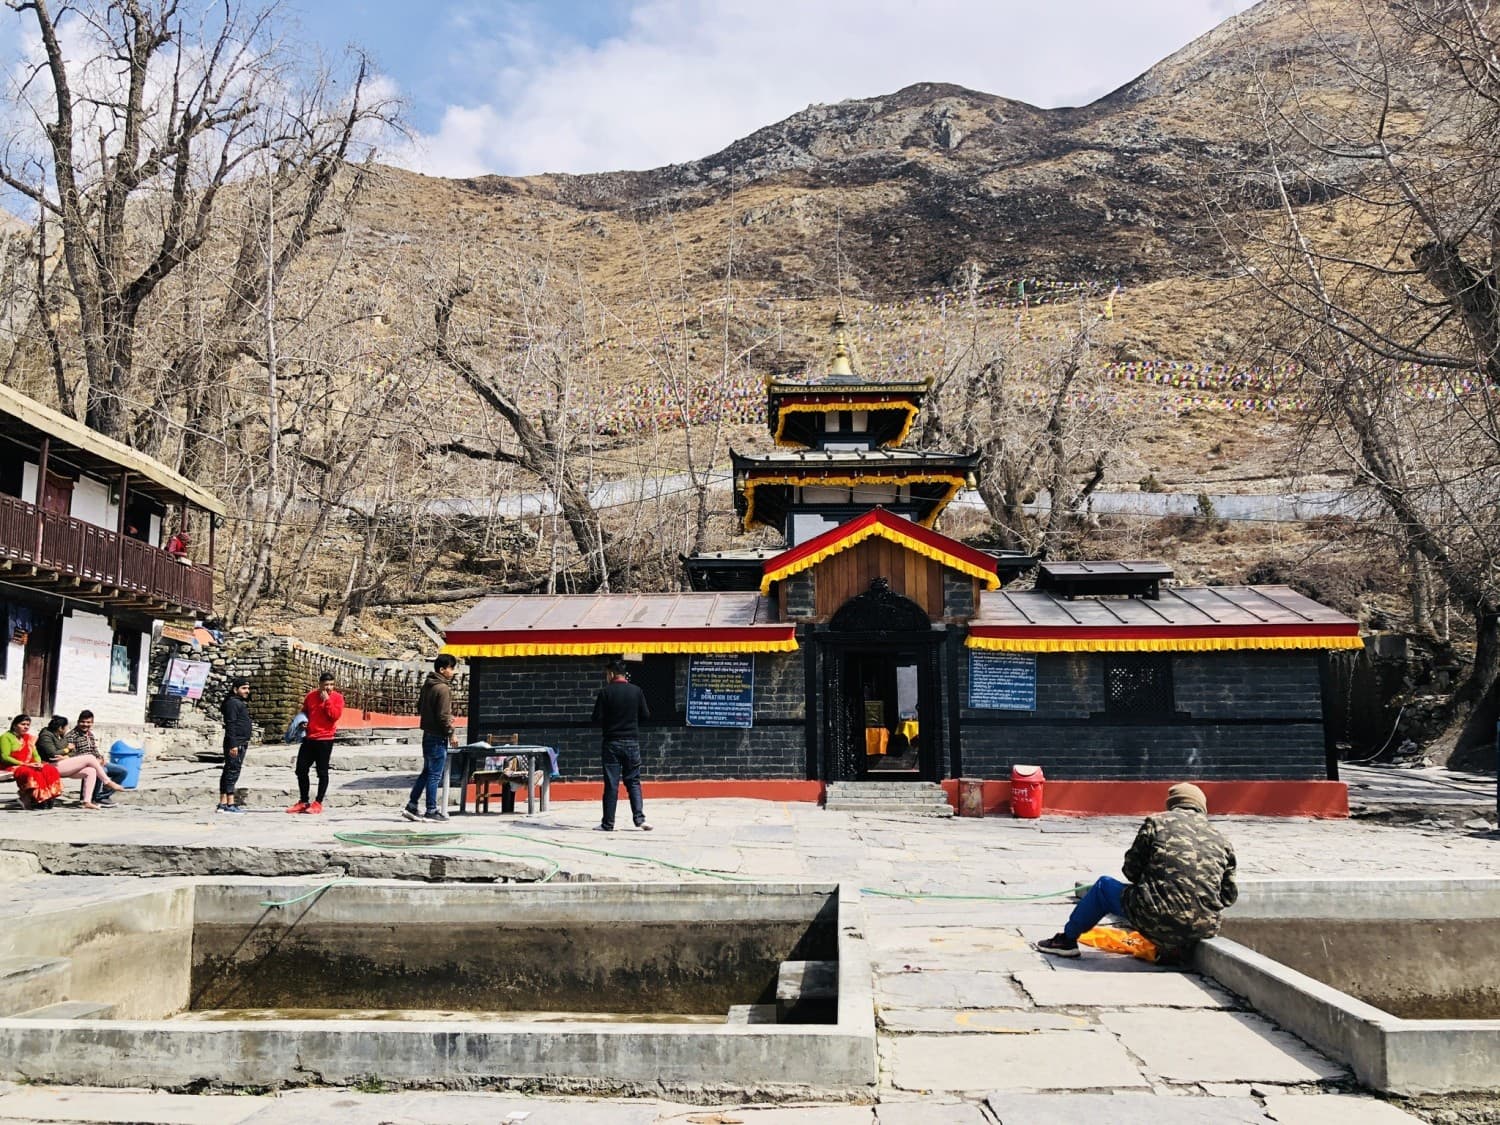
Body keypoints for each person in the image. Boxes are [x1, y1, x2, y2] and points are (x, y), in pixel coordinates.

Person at [1036, 782, 1237, 963]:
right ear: (1202, 807)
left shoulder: (1158, 823)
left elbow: (1130, 871)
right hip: (1204, 928)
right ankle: (1172, 948)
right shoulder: (1222, 839)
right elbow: (1228, 896)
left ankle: (1067, 940)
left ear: (1172, 804)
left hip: (1155, 916)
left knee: (1103, 887)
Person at [591, 658, 651, 832]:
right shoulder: (636, 691)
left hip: (611, 743)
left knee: (611, 784)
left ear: (610, 674)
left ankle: (608, 823)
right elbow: (645, 715)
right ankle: (640, 819)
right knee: (633, 781)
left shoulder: (605, 692)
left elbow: (596, 718)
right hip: (632, 741)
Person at [405, 653, 459, 822]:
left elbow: (420, 706)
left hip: (427, 734)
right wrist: (451, 733)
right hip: (438, 736)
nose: (453, 672)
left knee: (427, 772)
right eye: (451, 668)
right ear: (442, 670)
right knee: (435, 775)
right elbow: (443, 716)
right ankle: (431, 809)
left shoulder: (428, 685)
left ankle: (412, 805)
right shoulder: (442, 688)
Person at [288, 671, 343, 814]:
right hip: (309, 738)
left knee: (322, 772)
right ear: (320, 685)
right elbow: (304, 712)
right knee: (301, 769)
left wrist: (327, 701)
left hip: (325, 739)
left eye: (331, 685)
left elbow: (334, 716)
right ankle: (303, 801)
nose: (329, 688)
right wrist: (303, 723)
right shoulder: (311, 696)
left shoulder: (337, 698)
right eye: (326, 685)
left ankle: (318, 802)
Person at [36, 715, 116, 810]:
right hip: (50, 765)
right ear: (60, 728)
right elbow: (52, 753)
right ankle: (106, 781)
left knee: (90, 771)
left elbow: (73, 751)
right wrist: (66, 750)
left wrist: (67, 756)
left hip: (63, 763)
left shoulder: (61, 736)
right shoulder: (46, 735)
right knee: (90, 758)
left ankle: (87, 801)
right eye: (66, 727)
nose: (67, 729)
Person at [65, 710, 128, 807]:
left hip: (97, 761)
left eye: (88, 722)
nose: (85, 724)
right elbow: (71, 756)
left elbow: (94, 750)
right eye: (83, 722)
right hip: (84, 763)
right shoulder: (72, 736)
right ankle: (95, 798)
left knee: (122, 771)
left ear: (92, 723)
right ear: (78, 722)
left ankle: (103, 796)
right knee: (101, 770)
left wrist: (100, 758)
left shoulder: (90, 734)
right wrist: (93, 762)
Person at [1, 715, 63, 809]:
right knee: (29, 772)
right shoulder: (6, 737)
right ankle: (29, 797)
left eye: (28, 725)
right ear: (14, 725)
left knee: (49, 769)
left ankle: (48, 797)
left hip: (29, 764)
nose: (26, 727)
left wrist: (38, 763)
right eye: (23, 724)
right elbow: (4, 757)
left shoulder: (29, 738)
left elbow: (35, 754)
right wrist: (25, 764)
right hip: (11, 765)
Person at [218, 678, 253, 815]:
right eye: (244, 688)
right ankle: (230, 803)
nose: (247, 691)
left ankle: (223, 803)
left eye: (247, 688)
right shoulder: (233, 703)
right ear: (235, 689)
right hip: (236, 743)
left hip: (239, 742)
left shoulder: (237, 703)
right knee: (232, 772)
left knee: (229, 771)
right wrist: (234, 744)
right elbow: (230, 724)